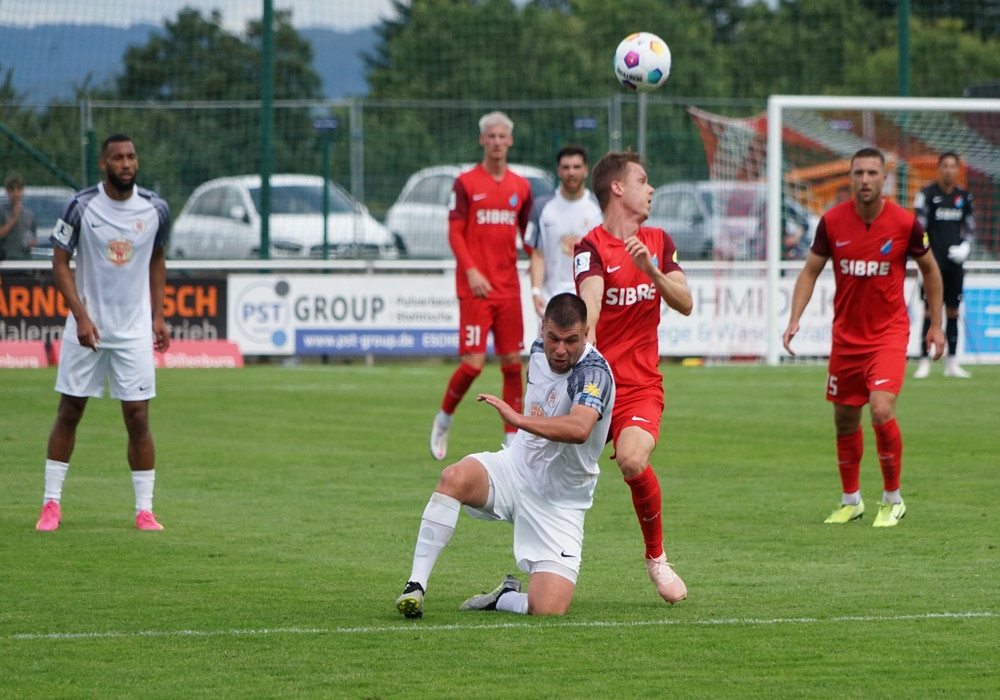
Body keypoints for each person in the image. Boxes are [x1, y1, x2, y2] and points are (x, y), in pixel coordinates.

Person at [397, 293, 615, 618]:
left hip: (560, 504)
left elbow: (581, 428)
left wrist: (518, 420)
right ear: (542, 328)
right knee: (452, 478)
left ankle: (503, 598)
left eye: (571, 341)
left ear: (586, 333)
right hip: (514, 471)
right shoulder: (538, 350)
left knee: (548, 610)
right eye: (553, 337)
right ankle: (415, 585)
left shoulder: (593, 374)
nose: (560, 349)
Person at [782, 147, 944, 528]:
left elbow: (931, 272)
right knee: (843, 420)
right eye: (859, 173)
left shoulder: (905, 224)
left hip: (888, 334)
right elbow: (809, 272)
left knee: (881, 408)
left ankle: (892, 498)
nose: (866, 180)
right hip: (846, 338)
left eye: (873, 173)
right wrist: (794, 318)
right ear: (851, 177)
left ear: (885, 178)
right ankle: (851, 500)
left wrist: (936, 325)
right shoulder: (832, 222)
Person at [572, 150, 693, 604]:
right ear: (617, 188)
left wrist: (653, 273)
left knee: (632, 460)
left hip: (641, 387)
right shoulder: (591, 247)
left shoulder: (659, 241)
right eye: (643, 180)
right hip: (593, 386)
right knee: (544, 475)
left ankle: (657, 559)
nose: (651, 188)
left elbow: (685, 302)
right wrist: (590, 345)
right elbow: (591, 304)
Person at [35, 134, 172, 532]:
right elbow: (60, 264)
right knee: (70, 410)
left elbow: (157, 260)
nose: (126, 164)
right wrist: (80, 315)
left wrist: (158, 316)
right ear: (103, 164)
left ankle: (145, 510)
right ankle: (51, 505)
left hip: (133, 332)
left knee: (138, 417)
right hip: (87, 328)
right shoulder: (80, 206)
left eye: (131, 157)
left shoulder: (156, 208)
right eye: (118, 158)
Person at [429, 111, 534, 460]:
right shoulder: (465, 183)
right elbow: (454, 232)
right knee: (473, 364)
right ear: (481, 140)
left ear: (511, 141)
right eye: (491, 136)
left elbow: (527, 234)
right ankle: (444, 418)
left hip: (508, 288)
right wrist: (472, 271)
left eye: (503, 136)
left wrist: (539, 261)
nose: (497, 142)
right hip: (476, 289)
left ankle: (511, 442)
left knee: (512, 365)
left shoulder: (521, 187)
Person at [912, 152, 976, 379]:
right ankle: (923, 361)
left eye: (953, 166)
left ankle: (952, 363)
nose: (949, 170)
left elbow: (969, 227)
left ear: (958, 169)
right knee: (930, 311)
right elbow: (918, 227)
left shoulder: (964, 197)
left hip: (955, 262)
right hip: (932, 263)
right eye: (945, 166)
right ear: (938, 168)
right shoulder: (927, 194)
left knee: (953, 311)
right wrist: (924, 254)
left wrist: (965, 246)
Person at [525, 144, 603, 317]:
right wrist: (536, 292)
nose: (571, 172)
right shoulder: (542, 207)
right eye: (566, 167)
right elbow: (538, 255)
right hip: (550, 300)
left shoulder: (598, 208)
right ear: (558, 171)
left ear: (585, 170)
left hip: (586, 300)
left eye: (576, 167)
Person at [0, 174, 38, 262]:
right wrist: (14, 219)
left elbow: (33, 236)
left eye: (18, 189)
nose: (15, 193)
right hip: (5, 261)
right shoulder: (2, 211)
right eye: (12, 190)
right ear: (7, 192)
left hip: (25, 261)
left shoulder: (29, 214)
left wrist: (33, 242)